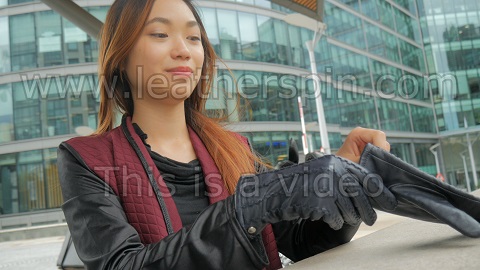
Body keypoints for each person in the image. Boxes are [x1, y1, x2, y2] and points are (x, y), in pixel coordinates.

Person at [57, 0, 397, 269]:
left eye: (193, 37)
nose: (184, 50)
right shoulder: (87, 159)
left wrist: (340, 182)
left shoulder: (235, 148)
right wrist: (252, 205)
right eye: (160, 34)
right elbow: (123, 264)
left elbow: (301, 242)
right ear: (121, 55)